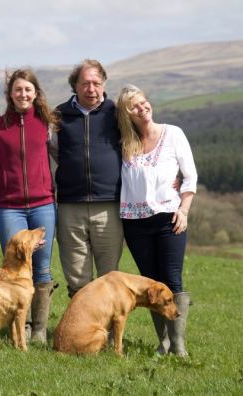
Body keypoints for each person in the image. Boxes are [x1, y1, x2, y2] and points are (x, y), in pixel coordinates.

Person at [116, 84, 198, 357]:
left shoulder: (173, 134)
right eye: (134, 107)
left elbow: (190, 176)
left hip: (168, 219)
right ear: (127, 115)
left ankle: (179, 345)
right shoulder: (125, 144)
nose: (142, 108)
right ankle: (163, 343)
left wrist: (184, 210)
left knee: (172, 281)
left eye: (143, 102)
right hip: (135, 223)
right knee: (152, 284)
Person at [0, 69, 57, 343]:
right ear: (10, 94)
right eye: (18, 90)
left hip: (43, 206)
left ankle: (39, 329)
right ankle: (22, 326)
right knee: (15, 265)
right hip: (10, 209)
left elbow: (60, 157)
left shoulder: (46, 124)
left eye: (28, 89)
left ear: (35, 93)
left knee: (41, 268)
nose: (23, 94)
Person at [49, 59, 124, 298]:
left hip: (109, 205)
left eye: (96, 83)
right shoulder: (59, 116)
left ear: (103, 84)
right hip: (71, 206)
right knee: (77, 277)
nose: (91, 89)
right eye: (85, 84)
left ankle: (109, 332)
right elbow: (54, 150)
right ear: (75, 86)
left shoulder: (117, 114)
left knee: (109, 275)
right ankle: (81, 332)